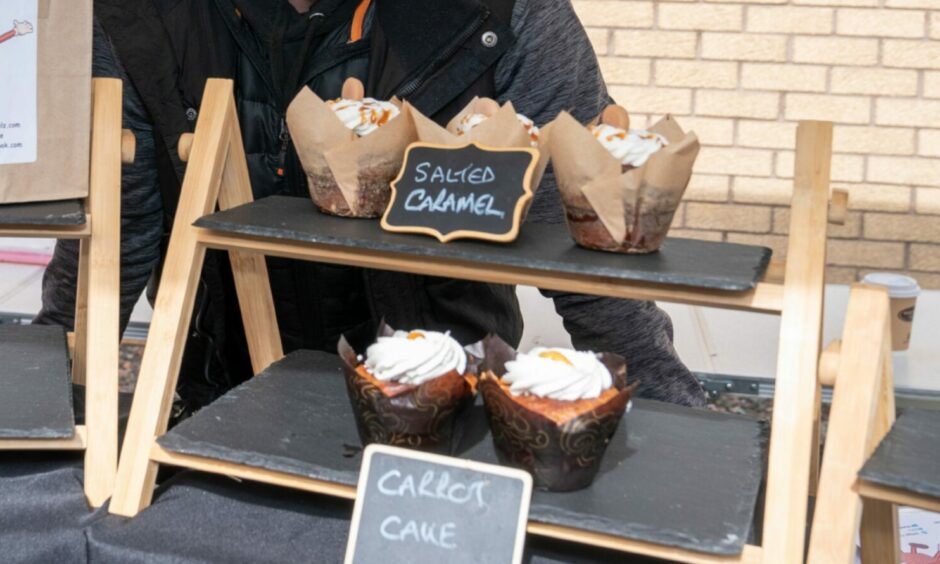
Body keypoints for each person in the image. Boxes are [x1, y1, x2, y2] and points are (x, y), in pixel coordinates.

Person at [36, 0, 705, 412]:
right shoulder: (138, 18)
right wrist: (34, 400)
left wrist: (682, 430)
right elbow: (118, 237)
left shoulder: (504, 13)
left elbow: (588, 237)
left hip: (451, 414)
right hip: (223, 406)